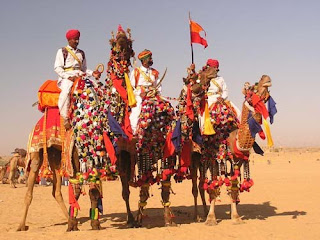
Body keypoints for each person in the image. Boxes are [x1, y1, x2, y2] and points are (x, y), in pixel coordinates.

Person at [54, 29, 101, 129]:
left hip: (80, 75)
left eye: (78, 39)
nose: (77, 42)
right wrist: (68, 77)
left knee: (96, 89)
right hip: (67, 77)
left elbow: (84, 69)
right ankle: (65, 117)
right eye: (75, 39)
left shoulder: (81, 53)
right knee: (66, 92)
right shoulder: (62, 51)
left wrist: (93, 73)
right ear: (69, 40)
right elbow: (57, 68)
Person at [129, 49, 162, 134]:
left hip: (152, 94)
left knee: (164, 107)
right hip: (140, 95)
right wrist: (139, 93)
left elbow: (158, 85)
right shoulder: (136, 72)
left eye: (151, 58)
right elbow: (131, 87)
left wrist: (156, 93)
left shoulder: (154, 72)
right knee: (137, 109)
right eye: (149, 58)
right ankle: (134, 132)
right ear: (143, 61)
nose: (151, 60)